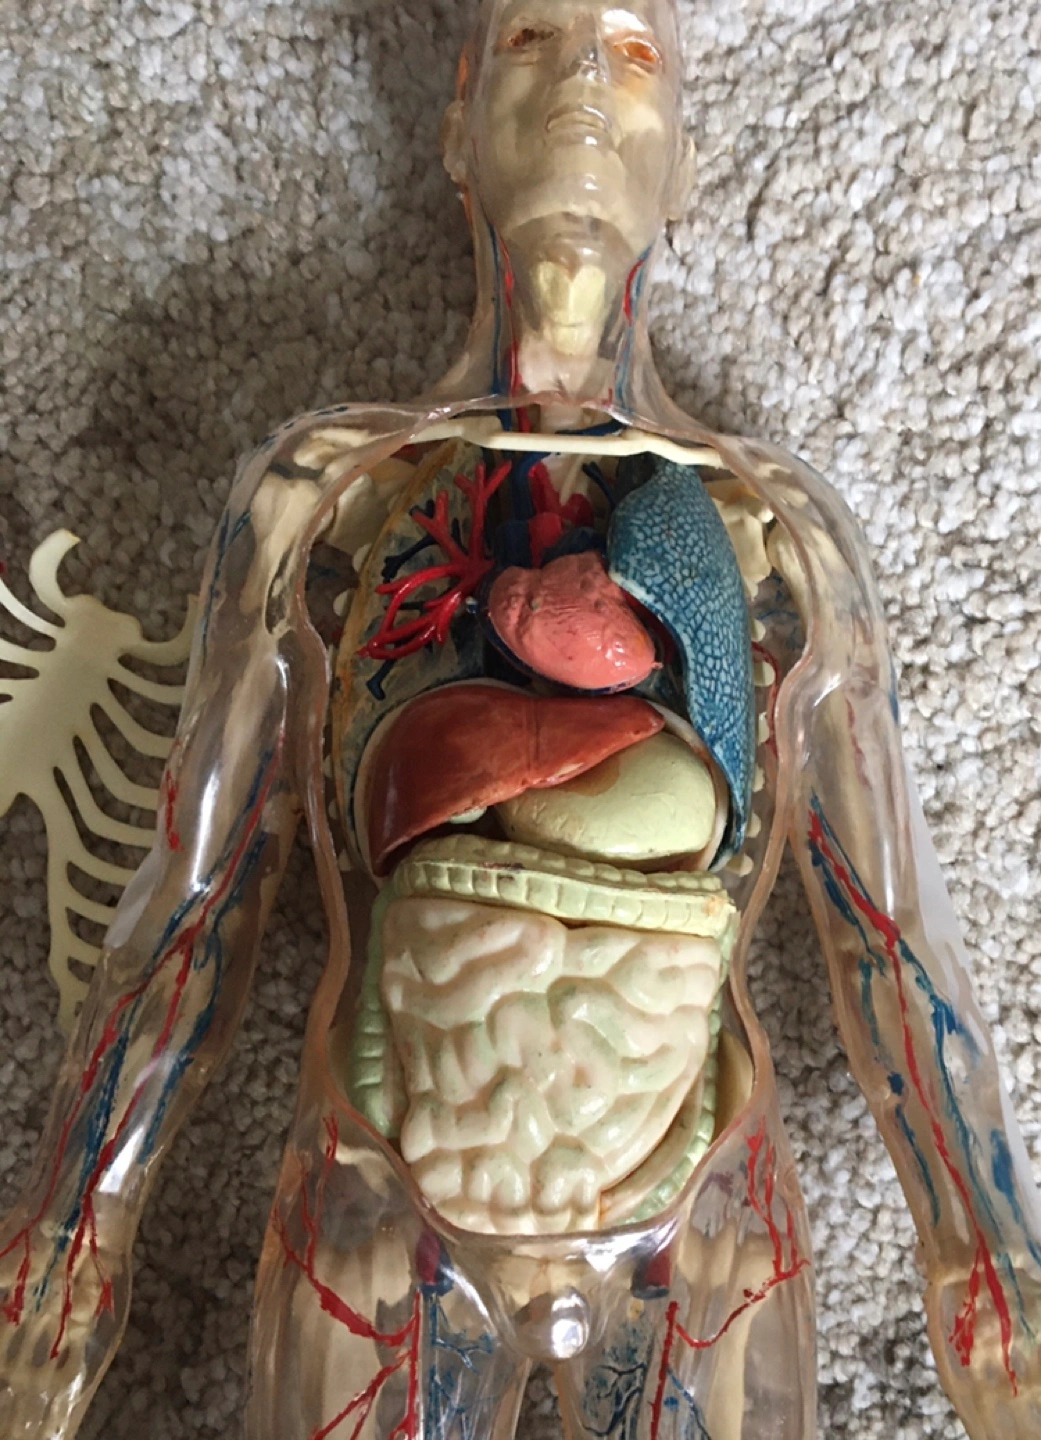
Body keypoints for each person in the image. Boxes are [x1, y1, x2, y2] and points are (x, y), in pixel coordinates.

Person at [2, 3, 1039, 1437]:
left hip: (694, 1204)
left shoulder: (775, 524)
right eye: (537, 39)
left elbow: (890, 921)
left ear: (685, 162)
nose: (584, 85)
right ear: (456, 127)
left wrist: (986, 1249)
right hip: (387, 1188)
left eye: (633, 52)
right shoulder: (331, 492)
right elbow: (197, 892)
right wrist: (75, 1230)